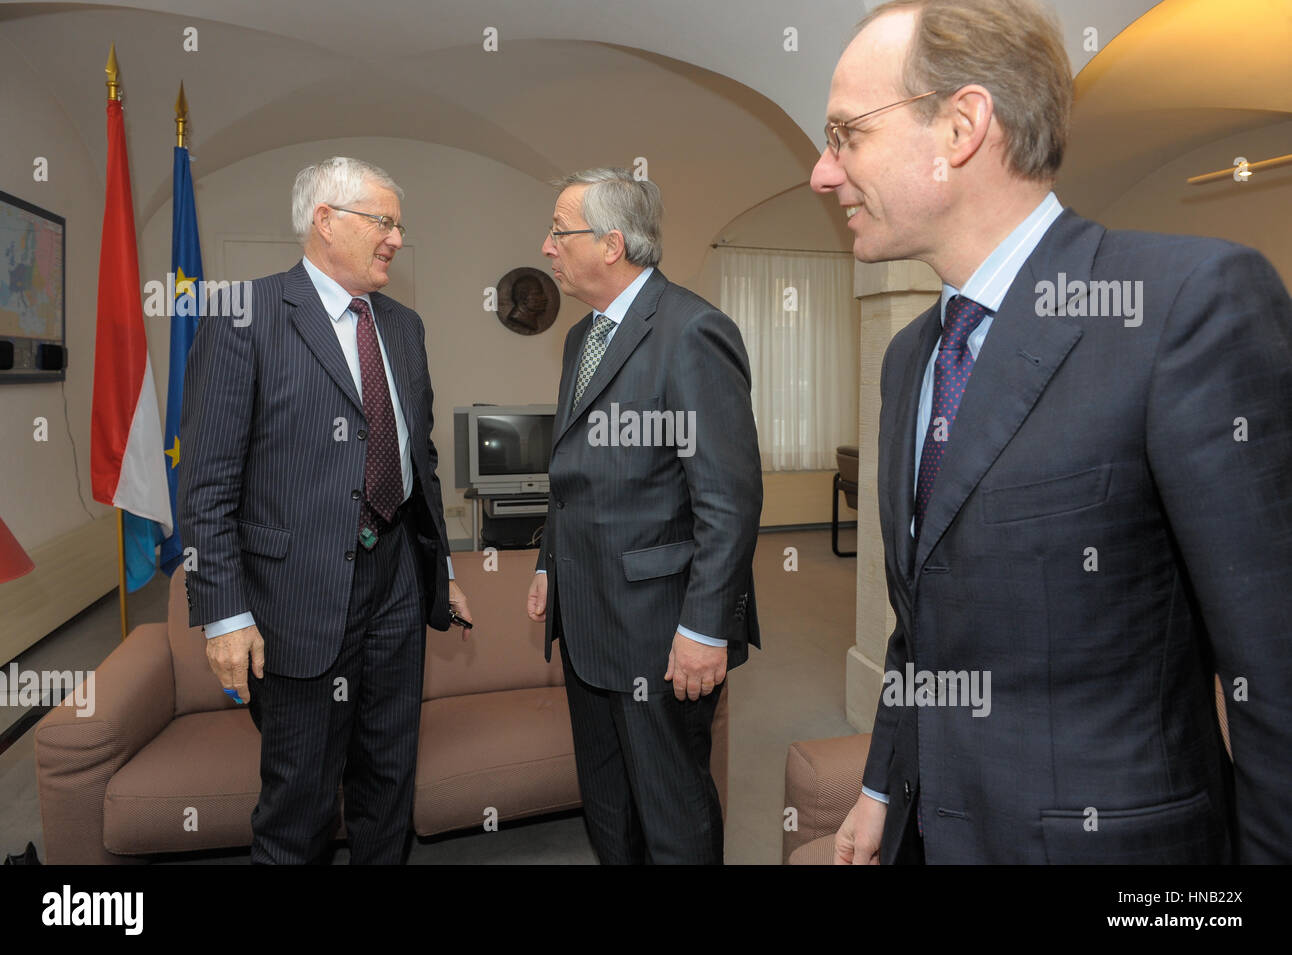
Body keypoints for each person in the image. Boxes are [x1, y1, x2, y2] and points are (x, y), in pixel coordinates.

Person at [811, 0, 1292, 864]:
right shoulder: (910, 356)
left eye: (846, 134)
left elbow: (1275, 670)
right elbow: (922, 623)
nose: (822, 171)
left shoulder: (1184, 306)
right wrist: (883, 786)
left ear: (960, 126)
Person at [179, 156, 471, 864]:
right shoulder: (242, 316)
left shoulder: (404, 326)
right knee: (299, 803)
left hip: (397, 582)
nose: (398, 238)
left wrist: (442, 566)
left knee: (388, 781)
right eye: (384, 221)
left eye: (400, 224)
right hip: (296, 597)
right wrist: (225, 613)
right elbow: (207, 484)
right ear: (325, 220)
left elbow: (417, 459)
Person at [525, 168, 762, 864]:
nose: (546, 246)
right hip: (587, 618)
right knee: (608, 804)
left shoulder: (692, 331)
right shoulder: (581, 338)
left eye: (559, 231)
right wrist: (547, 562)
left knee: (670, 809)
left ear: (611, 243)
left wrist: (703, 626)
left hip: (660, 628)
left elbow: (730, 498)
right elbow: (573, 471)